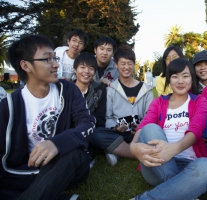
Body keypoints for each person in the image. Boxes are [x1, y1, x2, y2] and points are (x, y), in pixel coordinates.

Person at [0, 35, 95, 200]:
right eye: (48, 59)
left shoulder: (69, 90)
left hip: (67, 165)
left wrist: (57, 143)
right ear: (25, 65)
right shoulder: (9, 105)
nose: (56, 64)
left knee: (72, 154)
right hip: (24, 173)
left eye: (55, 58)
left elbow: (88, 123)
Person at [130, 58, 207, 200]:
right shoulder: (158, 102)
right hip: (157, 164)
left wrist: (174, 149)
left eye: (185, 76)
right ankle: (183, 190)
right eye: (175, 76)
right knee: (151, 128)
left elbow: (197, 129)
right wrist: (133, 146)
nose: (180, 81)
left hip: (190, 165)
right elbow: (145, 124)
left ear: (192, 78)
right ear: (169, 80)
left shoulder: (199, 101)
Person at [91, 45, 153, 166]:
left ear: (134, 65)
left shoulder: (146, 89)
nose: (126, 67)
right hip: (118, 134)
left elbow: (150, 115)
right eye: (122, 63)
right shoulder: (111, 89)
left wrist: (141, 127)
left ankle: (118, 151)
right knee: (96, 132)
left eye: (129, 63)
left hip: (140, 133)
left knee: (155, 132)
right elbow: (107, 117)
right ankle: (137, 153)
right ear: (116, 65)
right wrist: (115, 127)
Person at [73, 52, 107, 167]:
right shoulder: (66, 89)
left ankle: (91, 153)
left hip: (92, 130)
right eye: (82, 67)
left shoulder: (100, 90)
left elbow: (101, 119)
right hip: (71, 130)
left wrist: (84, 117)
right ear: (75, 70)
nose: (86, 72)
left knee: (100, 133)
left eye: (91, 68)